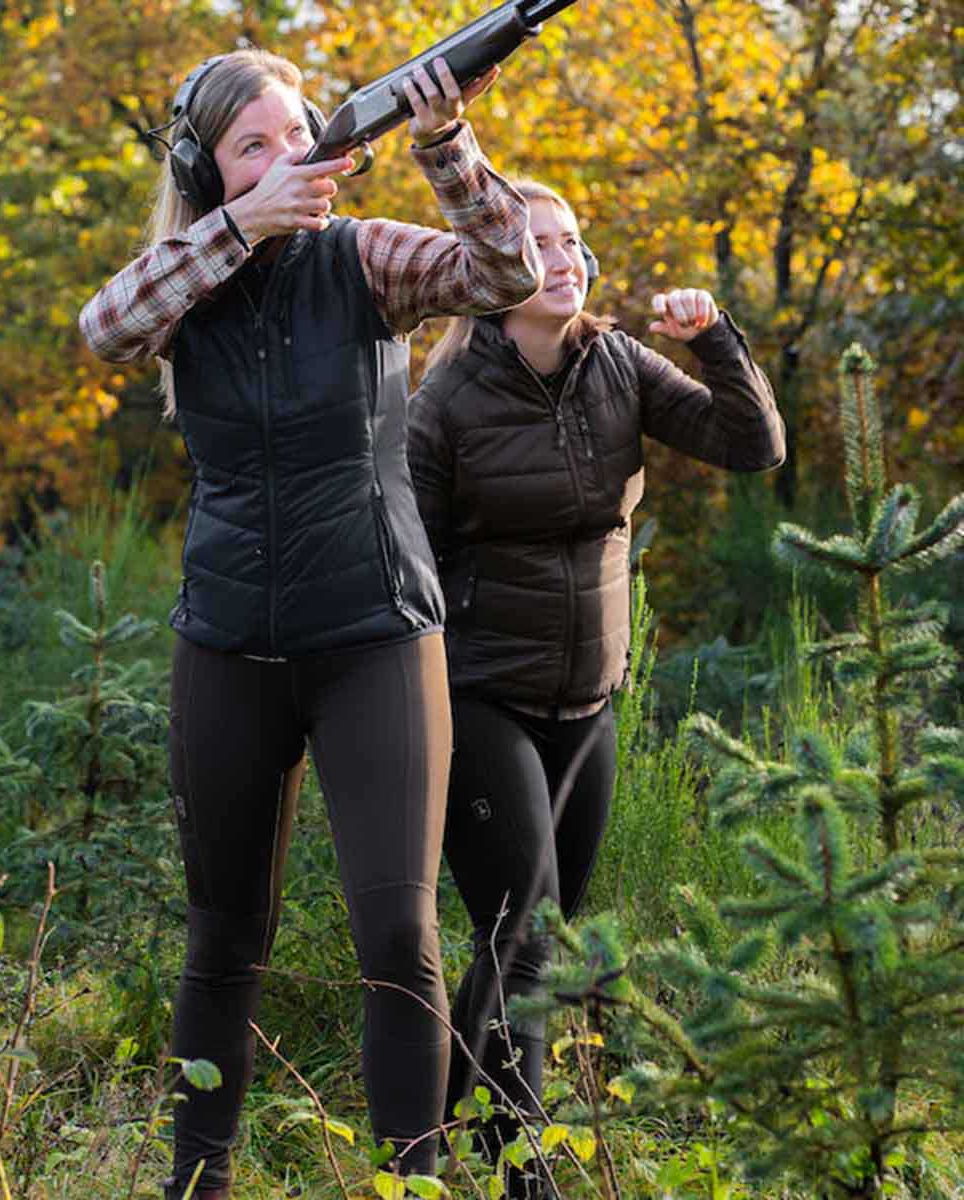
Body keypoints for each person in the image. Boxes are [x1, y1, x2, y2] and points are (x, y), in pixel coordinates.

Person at [78, 47, 544, 1199]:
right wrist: (240, 230)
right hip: (226, 640)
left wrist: (447, 146)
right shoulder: (186, 271)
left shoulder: (362, 254)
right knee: (223, 938)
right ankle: (200, 1183)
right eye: (256, 146)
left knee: (399, 939)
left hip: (375, 632)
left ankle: (412, 1183)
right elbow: (106, 328)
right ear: (206, 169)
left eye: (299, 137)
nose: (291, 160)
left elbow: (503, 272)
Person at [406, 179, 785, 1197]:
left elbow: (753, 446)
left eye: (576, 241)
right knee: (521, 938)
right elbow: (412, 563)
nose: (568, 260)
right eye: (541, 245)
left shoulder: (617, 364)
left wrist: (717, 341)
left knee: (539, 938)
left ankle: (436, 1151)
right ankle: (521, 1175)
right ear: (493, 271)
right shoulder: (446, 401)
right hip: (481, 693)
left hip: (589, 696)